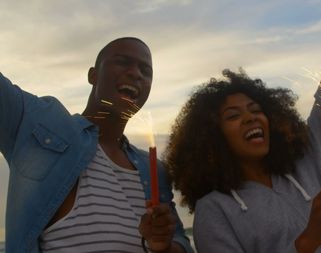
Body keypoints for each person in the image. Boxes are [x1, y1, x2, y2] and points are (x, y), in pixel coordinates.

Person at [163, 1, 321, 252]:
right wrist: (307, 241)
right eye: (233, 116)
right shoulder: (214, 210)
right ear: (212, 138)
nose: (251, 118)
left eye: (256, 110)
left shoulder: (306, 158)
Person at [0, 37, 193, 252]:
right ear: (93, 75)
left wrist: (163, 246)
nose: (136, 73)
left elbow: (181, 243)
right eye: (122, 61)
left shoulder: (154, 169)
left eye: (146, 71)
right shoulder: (39, 122)